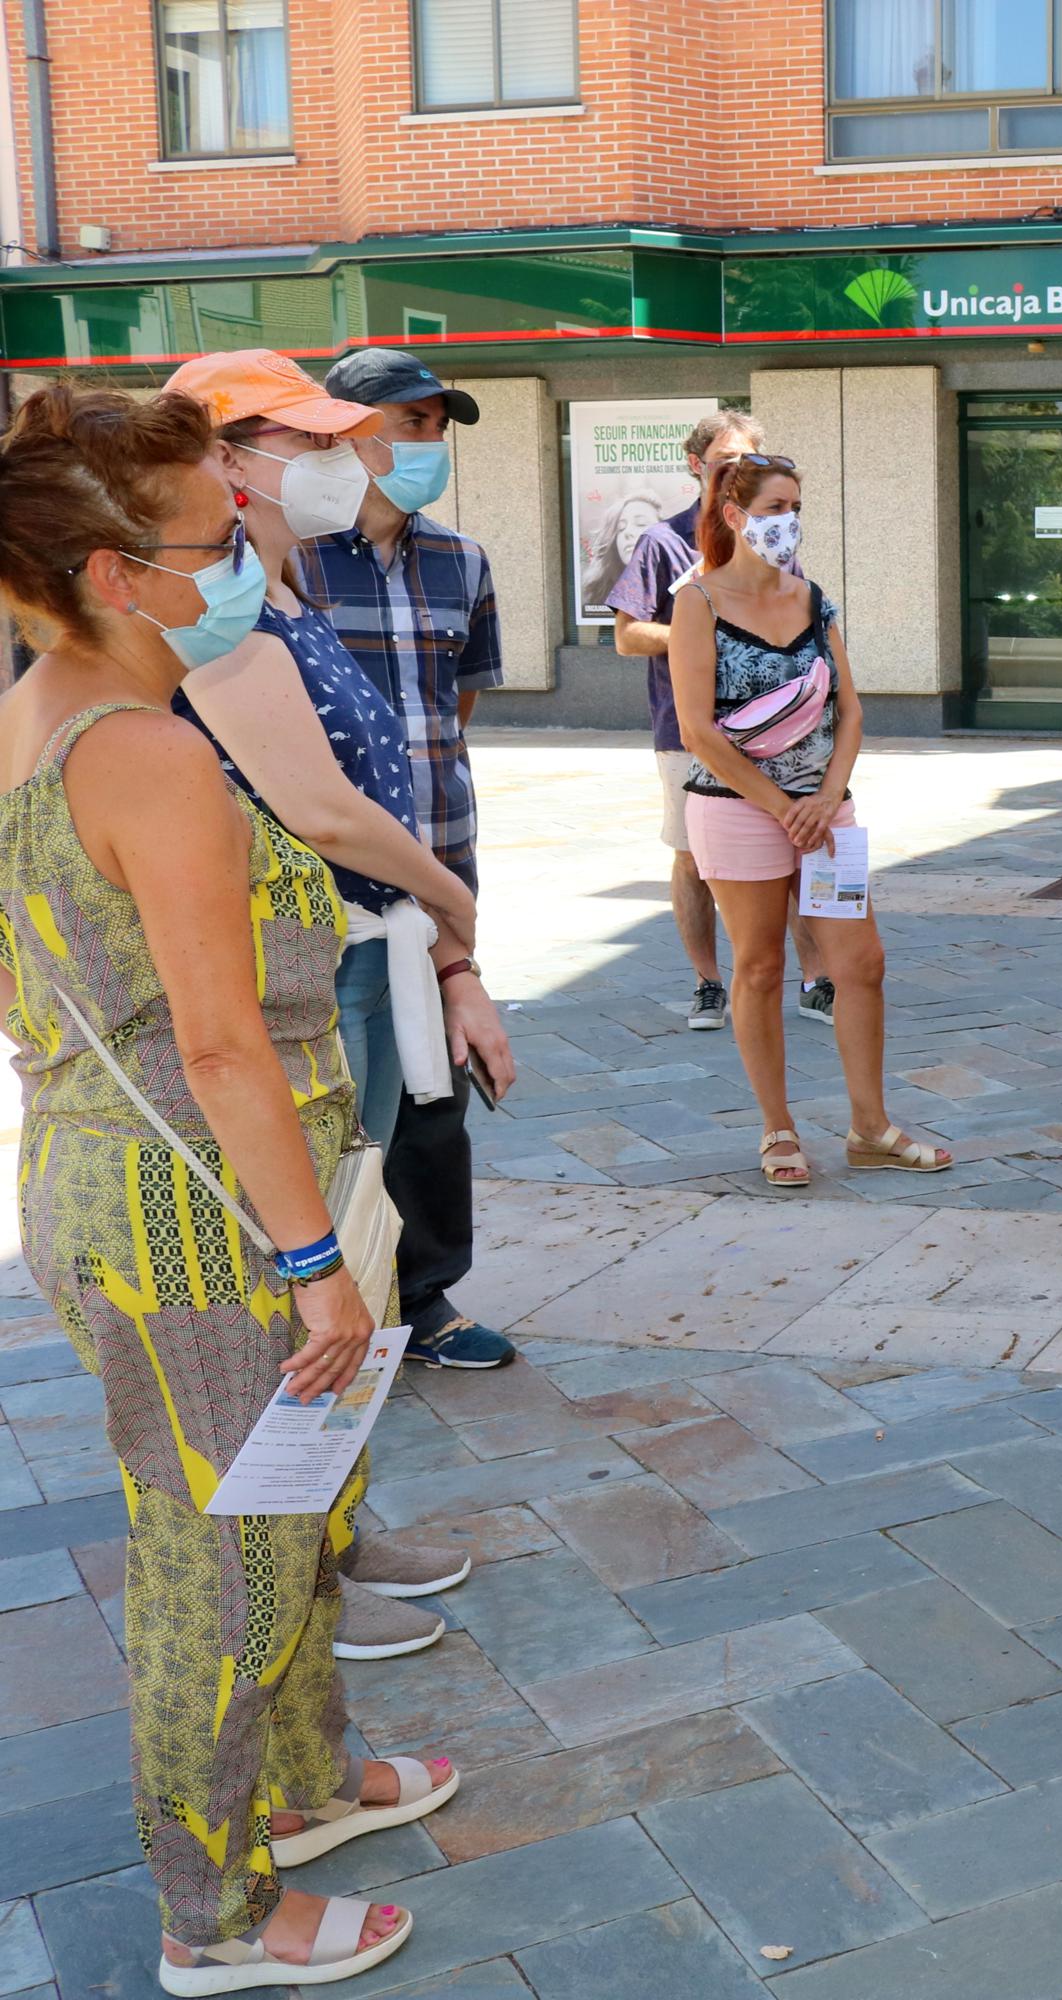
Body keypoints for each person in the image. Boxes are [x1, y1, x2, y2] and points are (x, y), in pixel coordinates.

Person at [0, 383, 457, 1993]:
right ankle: (215, 1912)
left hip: (102, 1176)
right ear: (123, 575)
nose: (252, 551)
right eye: (221, 535)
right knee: (224, 1552)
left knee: (286, 1509)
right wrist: (314, 1259)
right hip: (202, 1212)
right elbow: (216, 1047)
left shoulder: (41, 702)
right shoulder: (147, 757)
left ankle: (310, 1785)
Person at [165, 351, 500, 1657]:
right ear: (219, 461)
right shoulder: (209, 611)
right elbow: (317, 803)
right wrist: (450, 905)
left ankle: (339, 1532)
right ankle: (297, 1577)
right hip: (280, 971)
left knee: (351, 1258)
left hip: (347, 956)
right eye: (299, 439)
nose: (336, 460)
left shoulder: (277, 587)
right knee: (291, 1286)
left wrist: (432, 928)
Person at [299, 346, 524, 1378]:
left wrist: (451, 904)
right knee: (342, 1102)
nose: (424, 442)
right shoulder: (290, 563)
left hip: (438, 871)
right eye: (406, 422)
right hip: (326, 889)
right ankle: (337, 1299)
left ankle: (425, 1294)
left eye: (437, 425)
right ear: (341, 430)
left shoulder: (462, 563)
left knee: (436, 1097)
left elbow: (456, 714)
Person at [666, 453, 948, 1185]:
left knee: (862, 965)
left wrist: (827, 797)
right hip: (737, 811)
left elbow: (849, 711)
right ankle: (778, 1130)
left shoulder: (812, 598)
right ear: (735, 516)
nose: (789, 520)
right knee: (758, 967)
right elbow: (698, 731)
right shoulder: (696, 603)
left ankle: (870, 1128)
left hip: (827, 814)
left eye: (796, 505)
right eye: (775, 506)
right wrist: (784, 807)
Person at [611, 410, 833, 1033]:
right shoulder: (665, 542)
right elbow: (628, 638)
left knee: (797, 850)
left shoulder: (772, 536)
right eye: (725, 462)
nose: (737, 472)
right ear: (696, 466)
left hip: (784, 730)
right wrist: (702, 630)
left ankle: (816, 981)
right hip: (691, 730)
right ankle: (709, 983)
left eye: (749, 462)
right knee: (691, 859)